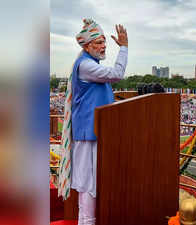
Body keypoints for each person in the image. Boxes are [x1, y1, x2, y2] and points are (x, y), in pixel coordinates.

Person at [59, 18, 128, 225]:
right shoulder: (86, 66)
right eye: (98, 42)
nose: (104, 45)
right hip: (89, 134)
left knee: (93, 184)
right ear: (87, 46)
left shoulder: (90, 64)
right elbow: (116, 74)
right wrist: (123, 47)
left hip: (96, 133)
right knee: (88, 186)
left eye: (104, 41)